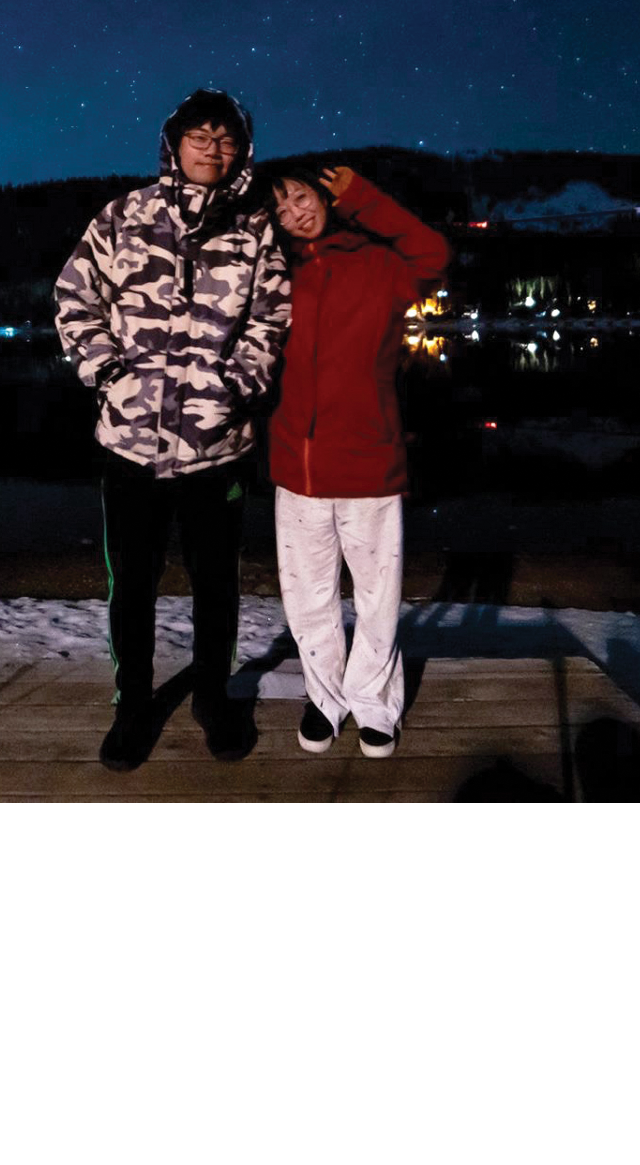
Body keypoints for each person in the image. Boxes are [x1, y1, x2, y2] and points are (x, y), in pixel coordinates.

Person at [54, 88, 292, 770]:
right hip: (129, 444)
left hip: (217, 447)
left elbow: (272, 320)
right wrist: (107, 372)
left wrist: (235, 387)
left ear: (241, 150)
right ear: (174, 143)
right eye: (200, 137)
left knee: (215, 582)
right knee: (132, 582)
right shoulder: (126, 215)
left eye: (225, 139)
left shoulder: (255, 230)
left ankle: (212, 700)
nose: (212, 149)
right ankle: (133, 706)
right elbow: (75, 295)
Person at [266, 161, 451, 758]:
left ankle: (374, 704)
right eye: (281, 208)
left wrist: (365, 198)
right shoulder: (277, 276)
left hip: (369, 461)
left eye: (301, 196)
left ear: (324, 194)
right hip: (297, 467)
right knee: (308, 596)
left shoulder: (380, 265)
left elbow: (433, 254)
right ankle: (324, 698)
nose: (296, 212)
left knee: (375, 595)